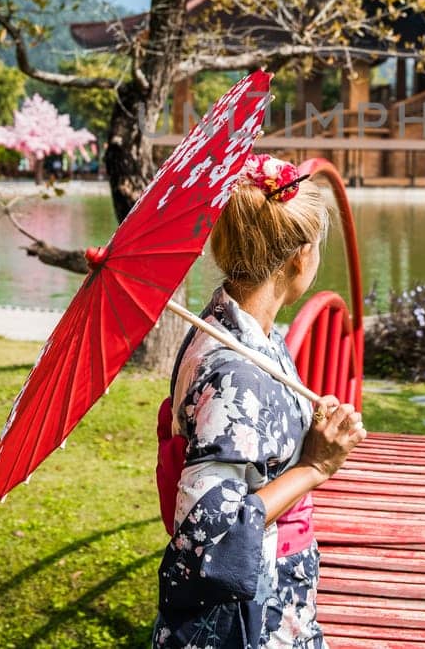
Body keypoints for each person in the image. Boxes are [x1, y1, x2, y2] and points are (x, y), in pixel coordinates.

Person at [153, 155, 366, 649]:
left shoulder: (237, 329)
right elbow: (211, 524)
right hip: (249, 609)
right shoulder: (237, 373)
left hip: (275, 582)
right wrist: (315, 466)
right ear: (299, 258)